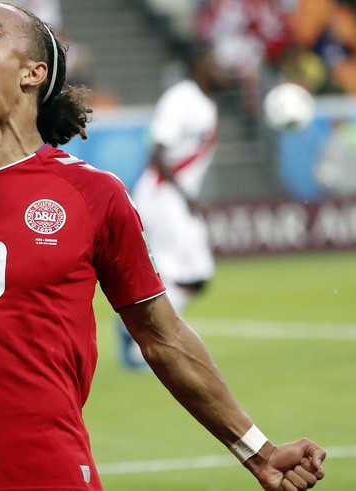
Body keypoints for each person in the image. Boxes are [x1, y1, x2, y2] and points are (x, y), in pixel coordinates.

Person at [0, 3, 326, 491]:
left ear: (32, 73)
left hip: (50, 474)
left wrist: (258, 453)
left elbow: (163, 338)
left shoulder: (92, 196)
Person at [116, 46, 221, 371]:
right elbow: (159, 149)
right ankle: (141, 342)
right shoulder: (182, 99)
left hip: (174, 197)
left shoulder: (206, 104)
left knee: (190, 276)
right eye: (214, 61)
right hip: (163, 196)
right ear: (199, 64)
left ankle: (135, 330)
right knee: (191, 275)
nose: (221, 68)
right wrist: (185, 196)